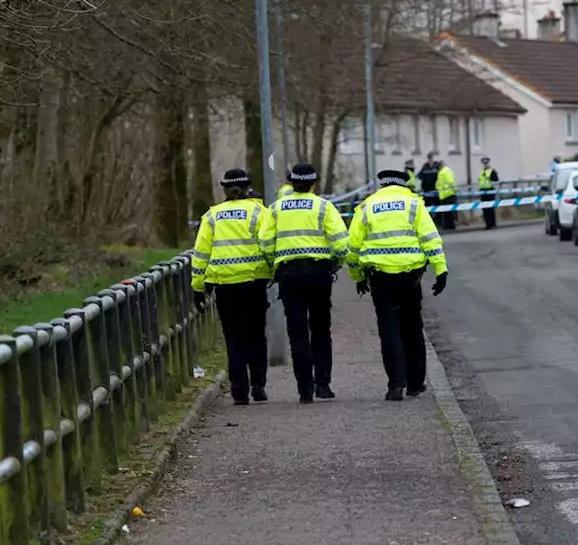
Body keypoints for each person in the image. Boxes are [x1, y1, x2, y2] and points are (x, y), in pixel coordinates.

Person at [347, 169, 449, 401]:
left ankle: (395, 385)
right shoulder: (413, 204)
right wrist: (440, 270)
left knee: (389, 329)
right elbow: (430, 239)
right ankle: (415, 384)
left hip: (380, 277)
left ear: (382, 185)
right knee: (412, 328)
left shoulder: (367, 206)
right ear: (403, 184)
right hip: (410, 277)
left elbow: (353, 247)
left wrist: (358, 277)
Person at [259, 163, 349, 404]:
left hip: (289, 276)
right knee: (320, 328)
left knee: (297, 331)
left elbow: (266, 242)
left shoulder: (276, 209)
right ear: (313, 183)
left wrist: (274, 265)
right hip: (319, 273)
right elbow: (341, 242)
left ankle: (304, 390)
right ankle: (323, 384)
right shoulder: (323, 206)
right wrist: (336, 263)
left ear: (291, 182)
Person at [192, 169, 274, 405]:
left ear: (225, 190)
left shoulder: (212, 216)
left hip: (224, 285)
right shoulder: (260, 212)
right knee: (257, 335)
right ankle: (259, 386)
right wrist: (272, 272)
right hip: (254, 283)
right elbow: (269, 246)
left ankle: (239, 391)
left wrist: (198, 287)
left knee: (234, 338)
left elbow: (200, 255)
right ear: (248, 187)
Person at [435, 160, 457, 230]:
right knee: (447, 212)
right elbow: (439, 183)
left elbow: (450, 182)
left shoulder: (445, 171)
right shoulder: (442, 171)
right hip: (445, 194)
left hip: (447, 194)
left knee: (448, 212)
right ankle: (448, 225)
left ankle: (449, 226)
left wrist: (454, 190)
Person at [478, 157, 499, 230]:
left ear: (488, 163)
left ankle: (492, 224)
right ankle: (487, 224)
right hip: (483, 192)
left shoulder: (492, 171)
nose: (485, 165)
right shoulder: (481, 172)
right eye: (484, 163)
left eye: (486, 163)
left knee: (490, 209)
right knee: (485, 209)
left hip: (489, 191)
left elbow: (496, 180)